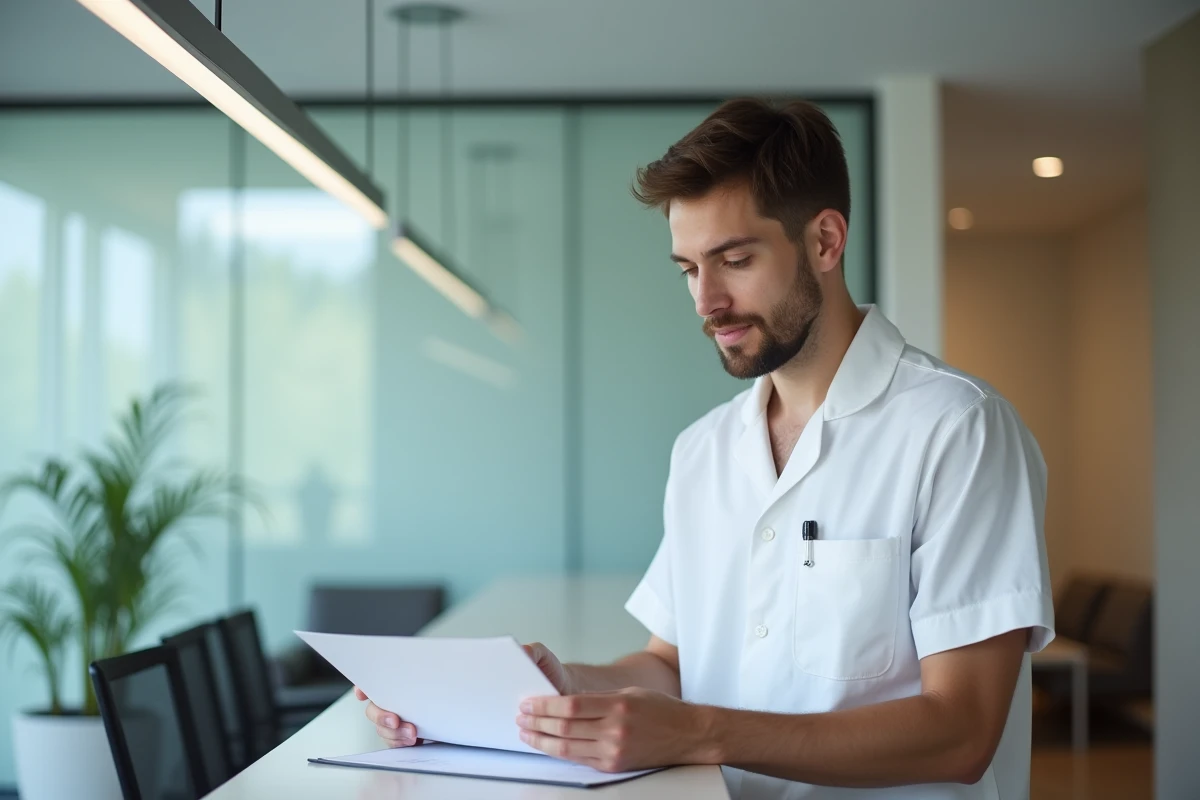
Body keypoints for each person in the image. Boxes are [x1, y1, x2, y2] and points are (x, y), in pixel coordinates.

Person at [355, 97, 1055, 799]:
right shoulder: (705, 450)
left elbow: (962, 732)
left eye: (734, 260)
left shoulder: (959, 429)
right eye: (689, 268)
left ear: (825, 241)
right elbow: (672, 663)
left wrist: (697, 732)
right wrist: (559, 688)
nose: (706, 300)